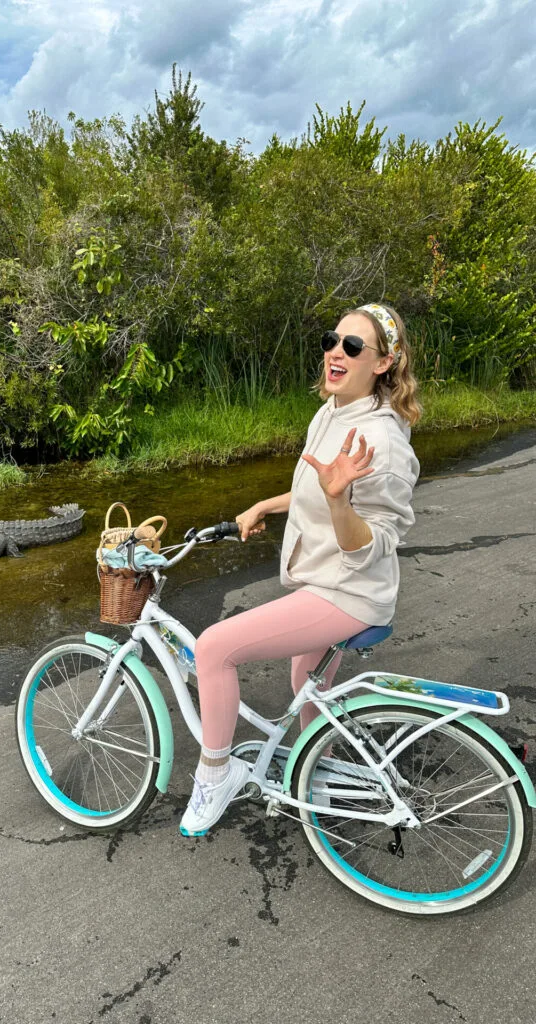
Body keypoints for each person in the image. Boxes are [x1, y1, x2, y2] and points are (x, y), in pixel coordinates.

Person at [180, 303, 422, 837]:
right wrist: (266, 506)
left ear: (383, 363)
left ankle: (215, 776)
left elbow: (377, 542)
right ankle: (326, 771)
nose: (337, 351)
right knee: (303, 682)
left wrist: (340, 502)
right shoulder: (332, 410)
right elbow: (318, 485)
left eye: (354, 346)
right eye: (333, 340)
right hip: (327, 581)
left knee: (214, 648)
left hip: (349, 591)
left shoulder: (382, 439)